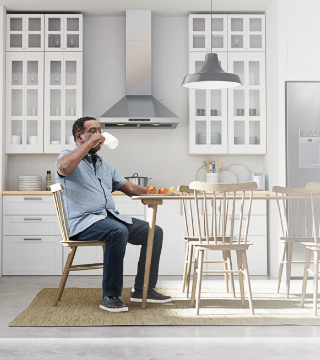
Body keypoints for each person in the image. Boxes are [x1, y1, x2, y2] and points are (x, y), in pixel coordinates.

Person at [55, 116, 171, 312]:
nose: (98, 134)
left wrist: (163, 191)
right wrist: (90, 142)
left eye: (99, 130)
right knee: (117, 232)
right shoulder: (68, 155)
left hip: (108, 219)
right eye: (92, 130)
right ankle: (110, 295)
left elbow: (132, 188)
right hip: (82, 222)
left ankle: (144, 289)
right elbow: (63, 168)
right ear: (78, 137)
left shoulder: (103, 165)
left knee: (154, 232)